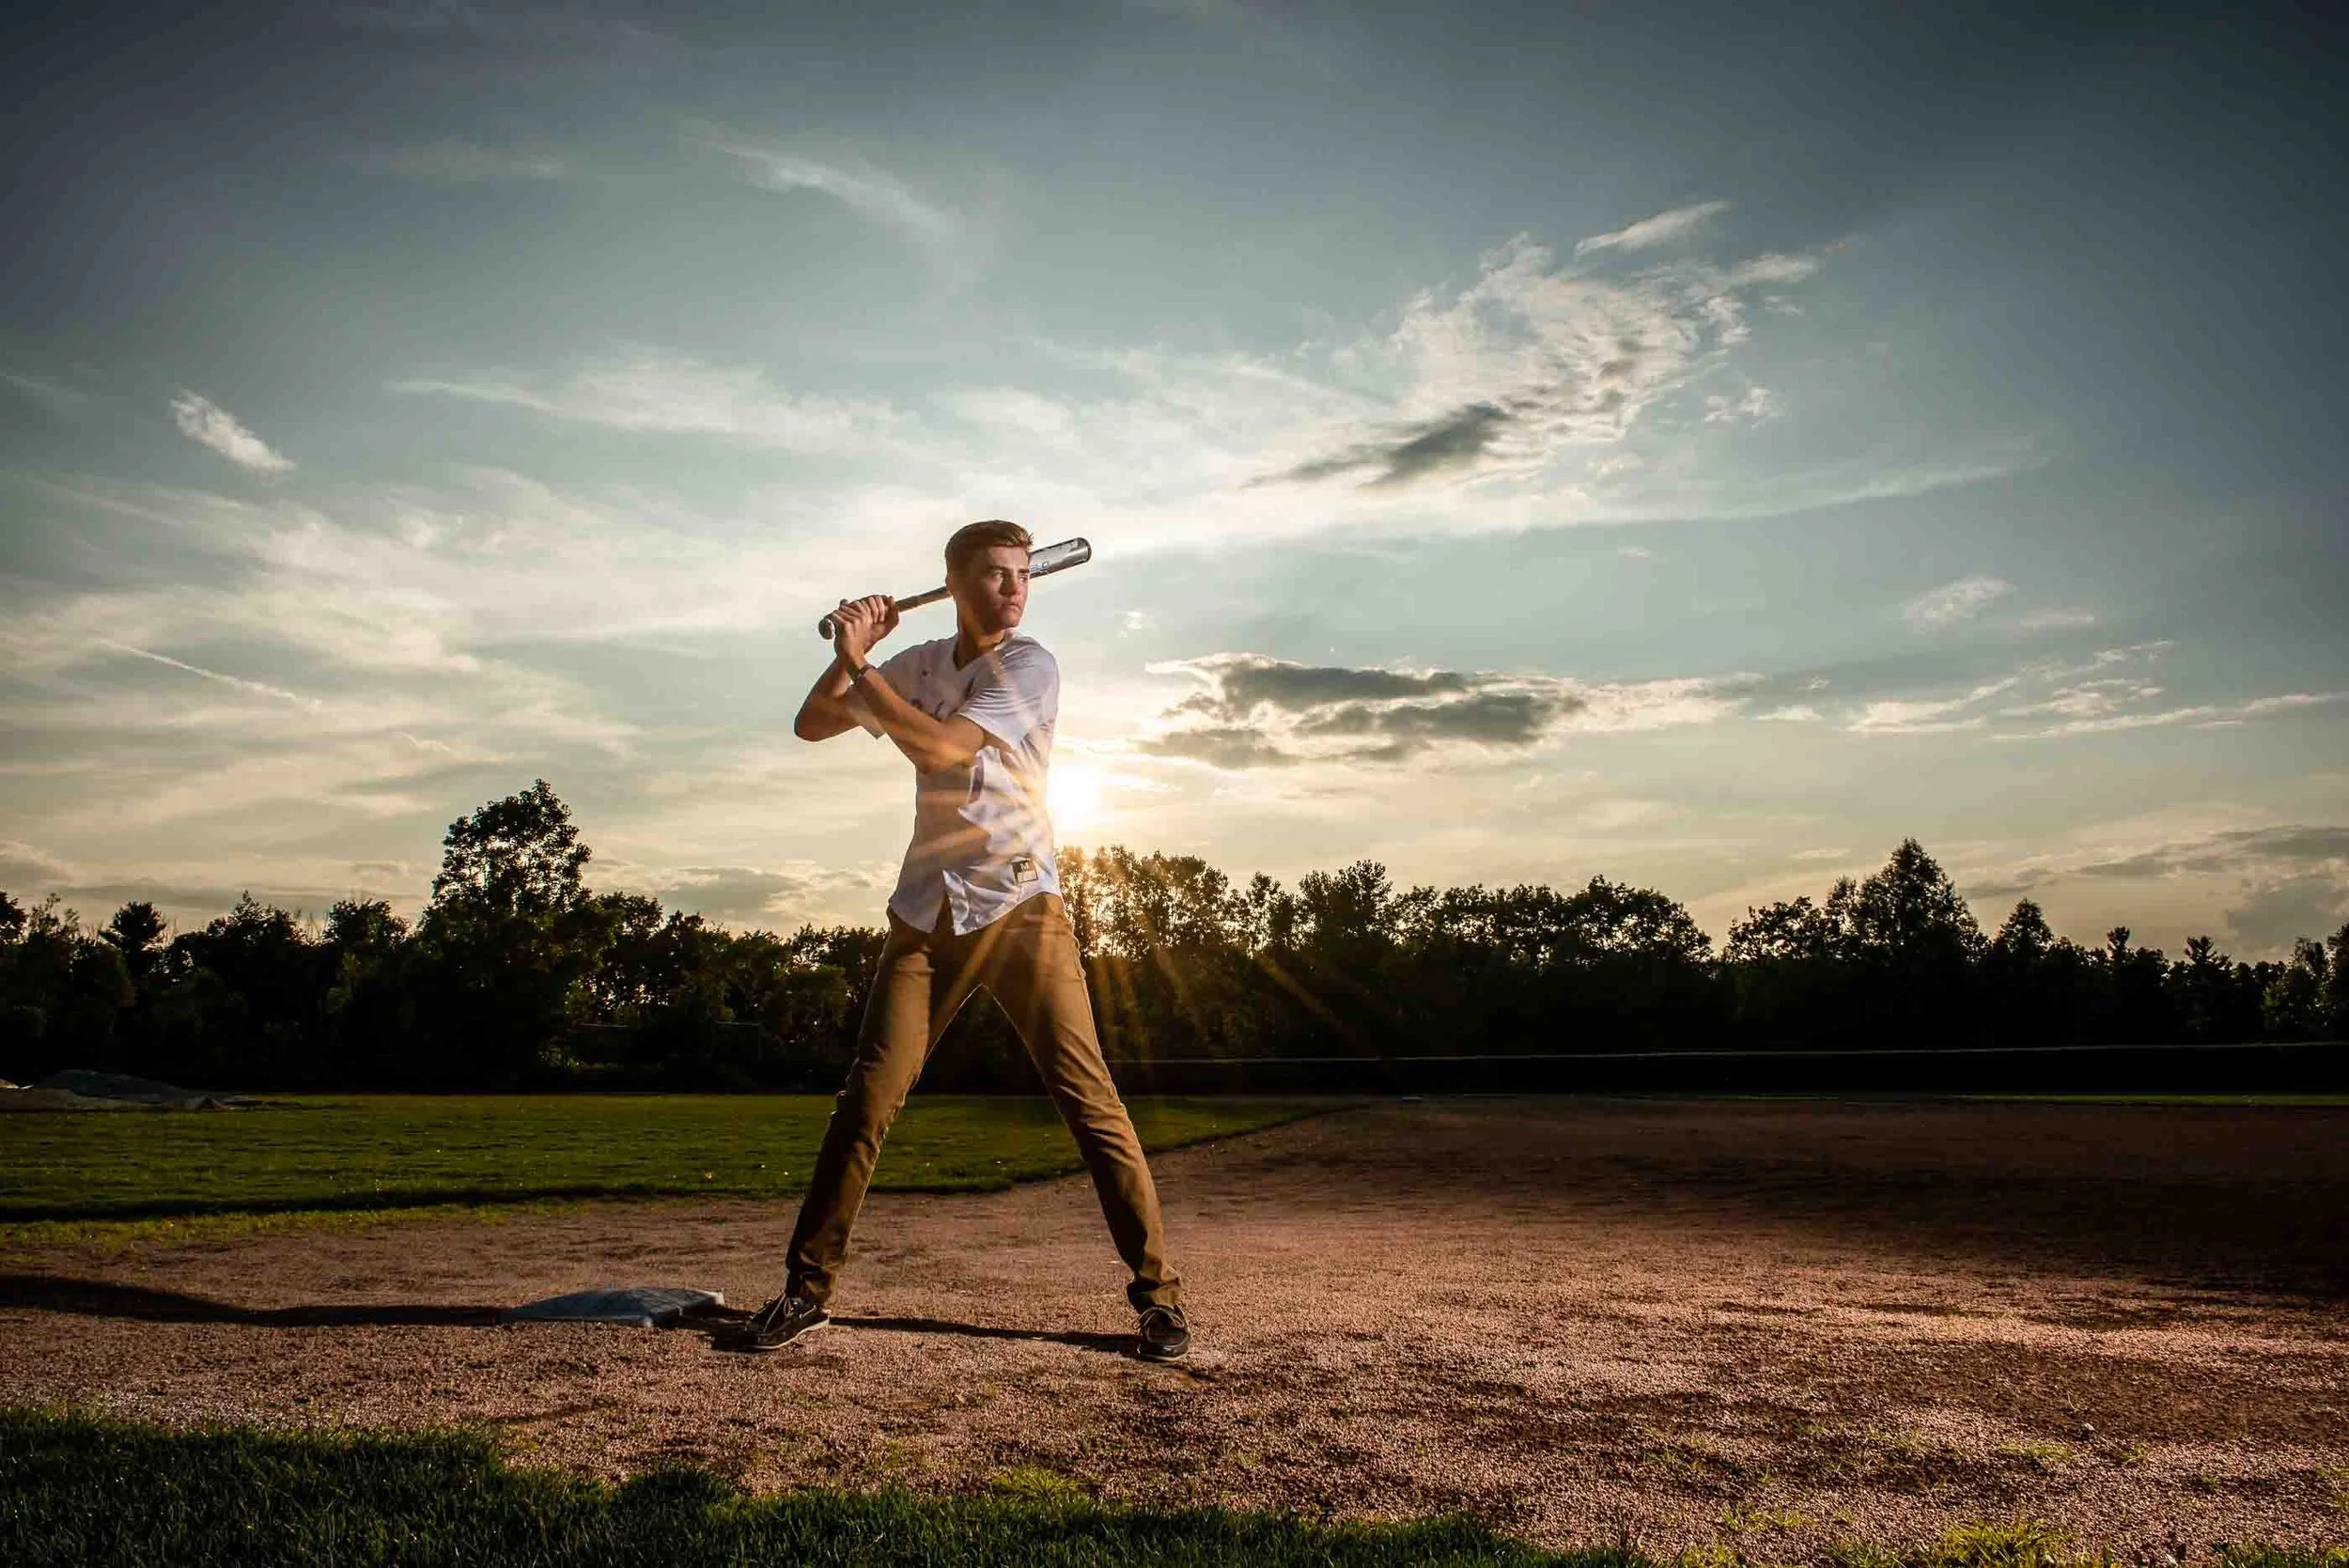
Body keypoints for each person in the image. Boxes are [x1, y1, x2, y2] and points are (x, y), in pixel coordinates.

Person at [743, 519, 1189, 1361]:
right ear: (955, 584)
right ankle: (805, 1292)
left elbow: (943, 746)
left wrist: (859, 664)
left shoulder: (1028, 665)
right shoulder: (916, 667)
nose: (1014, 588)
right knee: (868, 1099)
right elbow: (811, 722)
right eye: (993, 575)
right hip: (926, 913)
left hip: (1022, 909)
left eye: (1022, 574)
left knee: (1089, 1103)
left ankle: (1159, 1298)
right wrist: (855, 648)